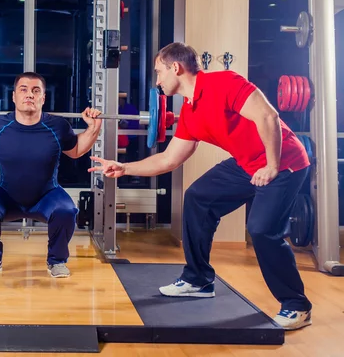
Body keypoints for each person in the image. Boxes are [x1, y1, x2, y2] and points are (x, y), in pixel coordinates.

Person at [88, 42, 312, 331]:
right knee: (197, 198)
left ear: (176, 68)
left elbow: (268, 116)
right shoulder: (191, 113)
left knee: (261, 230)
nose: (157, 81)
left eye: (159, 72)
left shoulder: (225, 82)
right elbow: (169, 159)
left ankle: (297, 306)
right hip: (246, 164)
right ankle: (198, 279)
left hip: (283, 163)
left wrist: (271, 165)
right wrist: (124, 168)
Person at [0, 72, 102, 278]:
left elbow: (76, 151)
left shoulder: (58, 126)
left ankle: (57, 261)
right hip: (7, 195)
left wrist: (93, 128)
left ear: (43, 97)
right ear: (14, 96)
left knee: (67, 210)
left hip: (47, 196)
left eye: (36, 91)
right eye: (23, 90)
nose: (29, 95)